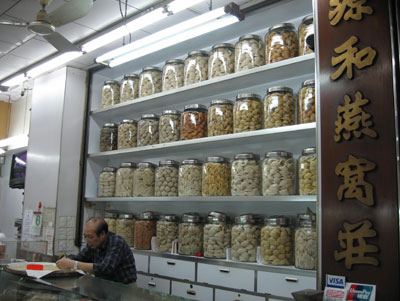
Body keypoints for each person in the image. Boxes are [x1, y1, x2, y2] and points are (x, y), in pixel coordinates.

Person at [56, 217, 137, 284]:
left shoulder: (117, 242)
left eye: (90, 237)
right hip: (106, 286)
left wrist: (74, 264)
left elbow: (105, 268)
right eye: (85, 236)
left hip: (124, 288)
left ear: (102, 234)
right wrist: (66, 259)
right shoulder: (93, 244)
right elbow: (80, 257)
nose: (87, 240)